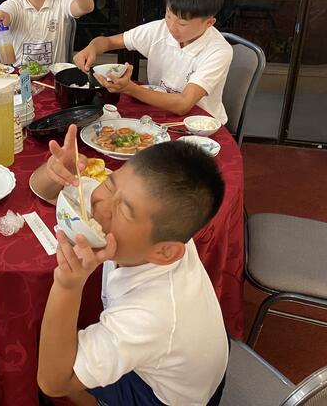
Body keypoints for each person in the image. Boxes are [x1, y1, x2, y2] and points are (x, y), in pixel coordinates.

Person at [34, 129, 228, 406]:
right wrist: (53, 173)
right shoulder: (153, 227)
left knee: (61, 371)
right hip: (182, 362)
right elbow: (46, 191)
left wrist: (67, 285)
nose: (100, 205)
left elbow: (53, 382)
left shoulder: (151, 314)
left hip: (167, 397)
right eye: (109, 183)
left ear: (164, 252)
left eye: (124, 211)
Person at [74, 0, 232, 123]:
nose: (171, 27)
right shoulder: (159, 29)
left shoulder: (218, 51)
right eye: (168, 15)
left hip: (200, 123)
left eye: (182, 23)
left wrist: (130, 88)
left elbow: (183, 104)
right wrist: (92, 48)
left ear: (209, 23)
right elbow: (109, 42)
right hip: (157, 112)